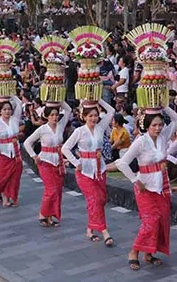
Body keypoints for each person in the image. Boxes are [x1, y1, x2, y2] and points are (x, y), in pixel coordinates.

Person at [115, 107, 177, 270]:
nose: (158, 128)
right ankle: (134, 252)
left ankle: (149, 253)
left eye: (159, 125)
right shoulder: (141, 141)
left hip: (162, 187)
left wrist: (164, 105)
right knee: (150, 222)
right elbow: (122, 163)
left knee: (161, 222)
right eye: (154, 126)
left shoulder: (163, 137)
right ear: (147, 126)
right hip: (145, 188)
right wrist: (135, 180)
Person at [61, 99, 115, 247]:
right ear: (84, 117)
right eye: (90, 116)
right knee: (95, 199)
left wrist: (99, 100)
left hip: (100, 169)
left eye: (95, 115)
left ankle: (90, 229)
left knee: (101, 200)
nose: (93, 118)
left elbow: (111, 111)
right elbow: (65, 148)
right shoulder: (79, 131)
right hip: (85, 172)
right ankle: (105, 232)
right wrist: (76, 163)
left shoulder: (100, 128)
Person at [24, 102, 71, 227]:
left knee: (58, 190)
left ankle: (51, 216)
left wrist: (59, 100)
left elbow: (68, 110)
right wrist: (33, 156)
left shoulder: (60, 126)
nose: (55, 117)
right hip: (45, 161)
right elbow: (27, 142)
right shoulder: (42, 129)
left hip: (58, 162)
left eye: (56, 115)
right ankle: (43, 214)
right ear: (46, 116)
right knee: (51, 189)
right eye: (52, 115)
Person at [0, 96, 24, 207]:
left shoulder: (15, 119)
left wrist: (10, 93)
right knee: (2, 177)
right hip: (3, 153)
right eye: (4, 109)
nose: (7, 111)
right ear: (0, 111)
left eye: (9, 109)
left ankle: (8, 198)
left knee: (14, 177)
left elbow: (19, 104)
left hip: (15, 153)